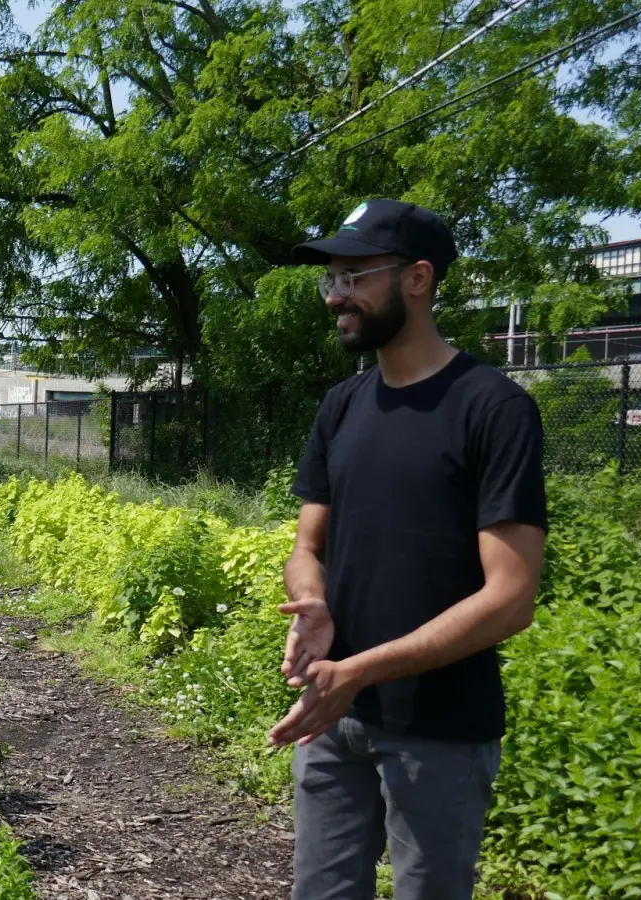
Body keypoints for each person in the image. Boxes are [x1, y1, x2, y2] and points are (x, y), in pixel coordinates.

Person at [269, 199, 548, 900]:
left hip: (442, 731)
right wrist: (313, 601)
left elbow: (510, 599)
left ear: (418, 278)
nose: (337, 296)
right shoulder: (342, 405)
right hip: (337, 716)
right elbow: (307, 544)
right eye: (331, 280)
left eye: (355, 276)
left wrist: (363, 669)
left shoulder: (493, 408)